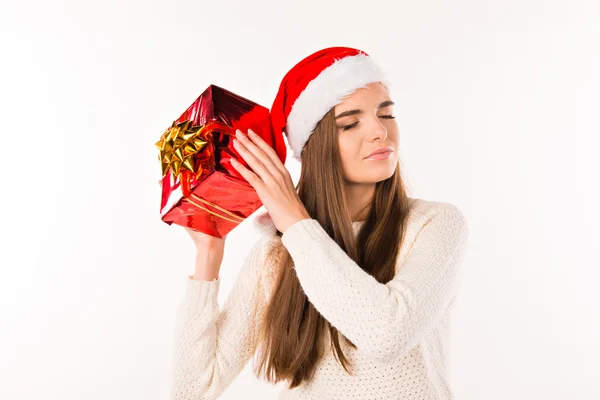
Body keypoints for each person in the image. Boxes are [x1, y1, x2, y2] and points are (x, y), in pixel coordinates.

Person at [170, 46, 469, 400]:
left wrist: (295, 221)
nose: (379, 131)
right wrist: (208, 252)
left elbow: (387, 334)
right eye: (351, 123)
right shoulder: (278, 254)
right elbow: (194, 389)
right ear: (315, 146)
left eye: (386, 114)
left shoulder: (434, 224)